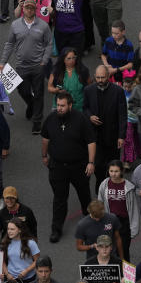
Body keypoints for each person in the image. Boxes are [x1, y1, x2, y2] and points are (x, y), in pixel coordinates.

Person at [41, 90, 96, 243]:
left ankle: (90, 225)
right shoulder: (51, 119)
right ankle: (56, 229)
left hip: (79, 166)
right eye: (58, 105)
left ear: (70, 105)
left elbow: (91, 141)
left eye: (62, 106)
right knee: (59, 199)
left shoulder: (81, 119)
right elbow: (45, 138)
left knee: (85, 196)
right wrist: (44, 156)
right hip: (58, 167)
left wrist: (91, 162)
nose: (59, 108)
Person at [0, 0, 52, 135]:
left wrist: (44, 61)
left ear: (35, 10)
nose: (29, 10)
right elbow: (9, 44)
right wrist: (2, 63)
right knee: (22, 91)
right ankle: (32, 104)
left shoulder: (43, 26)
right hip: (21, 66)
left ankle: (37, 123)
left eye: (31, 8)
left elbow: (49, 44)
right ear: (23, 9)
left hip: (37, 66)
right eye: (27, 7)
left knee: (39, 93)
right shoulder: (15, 25)